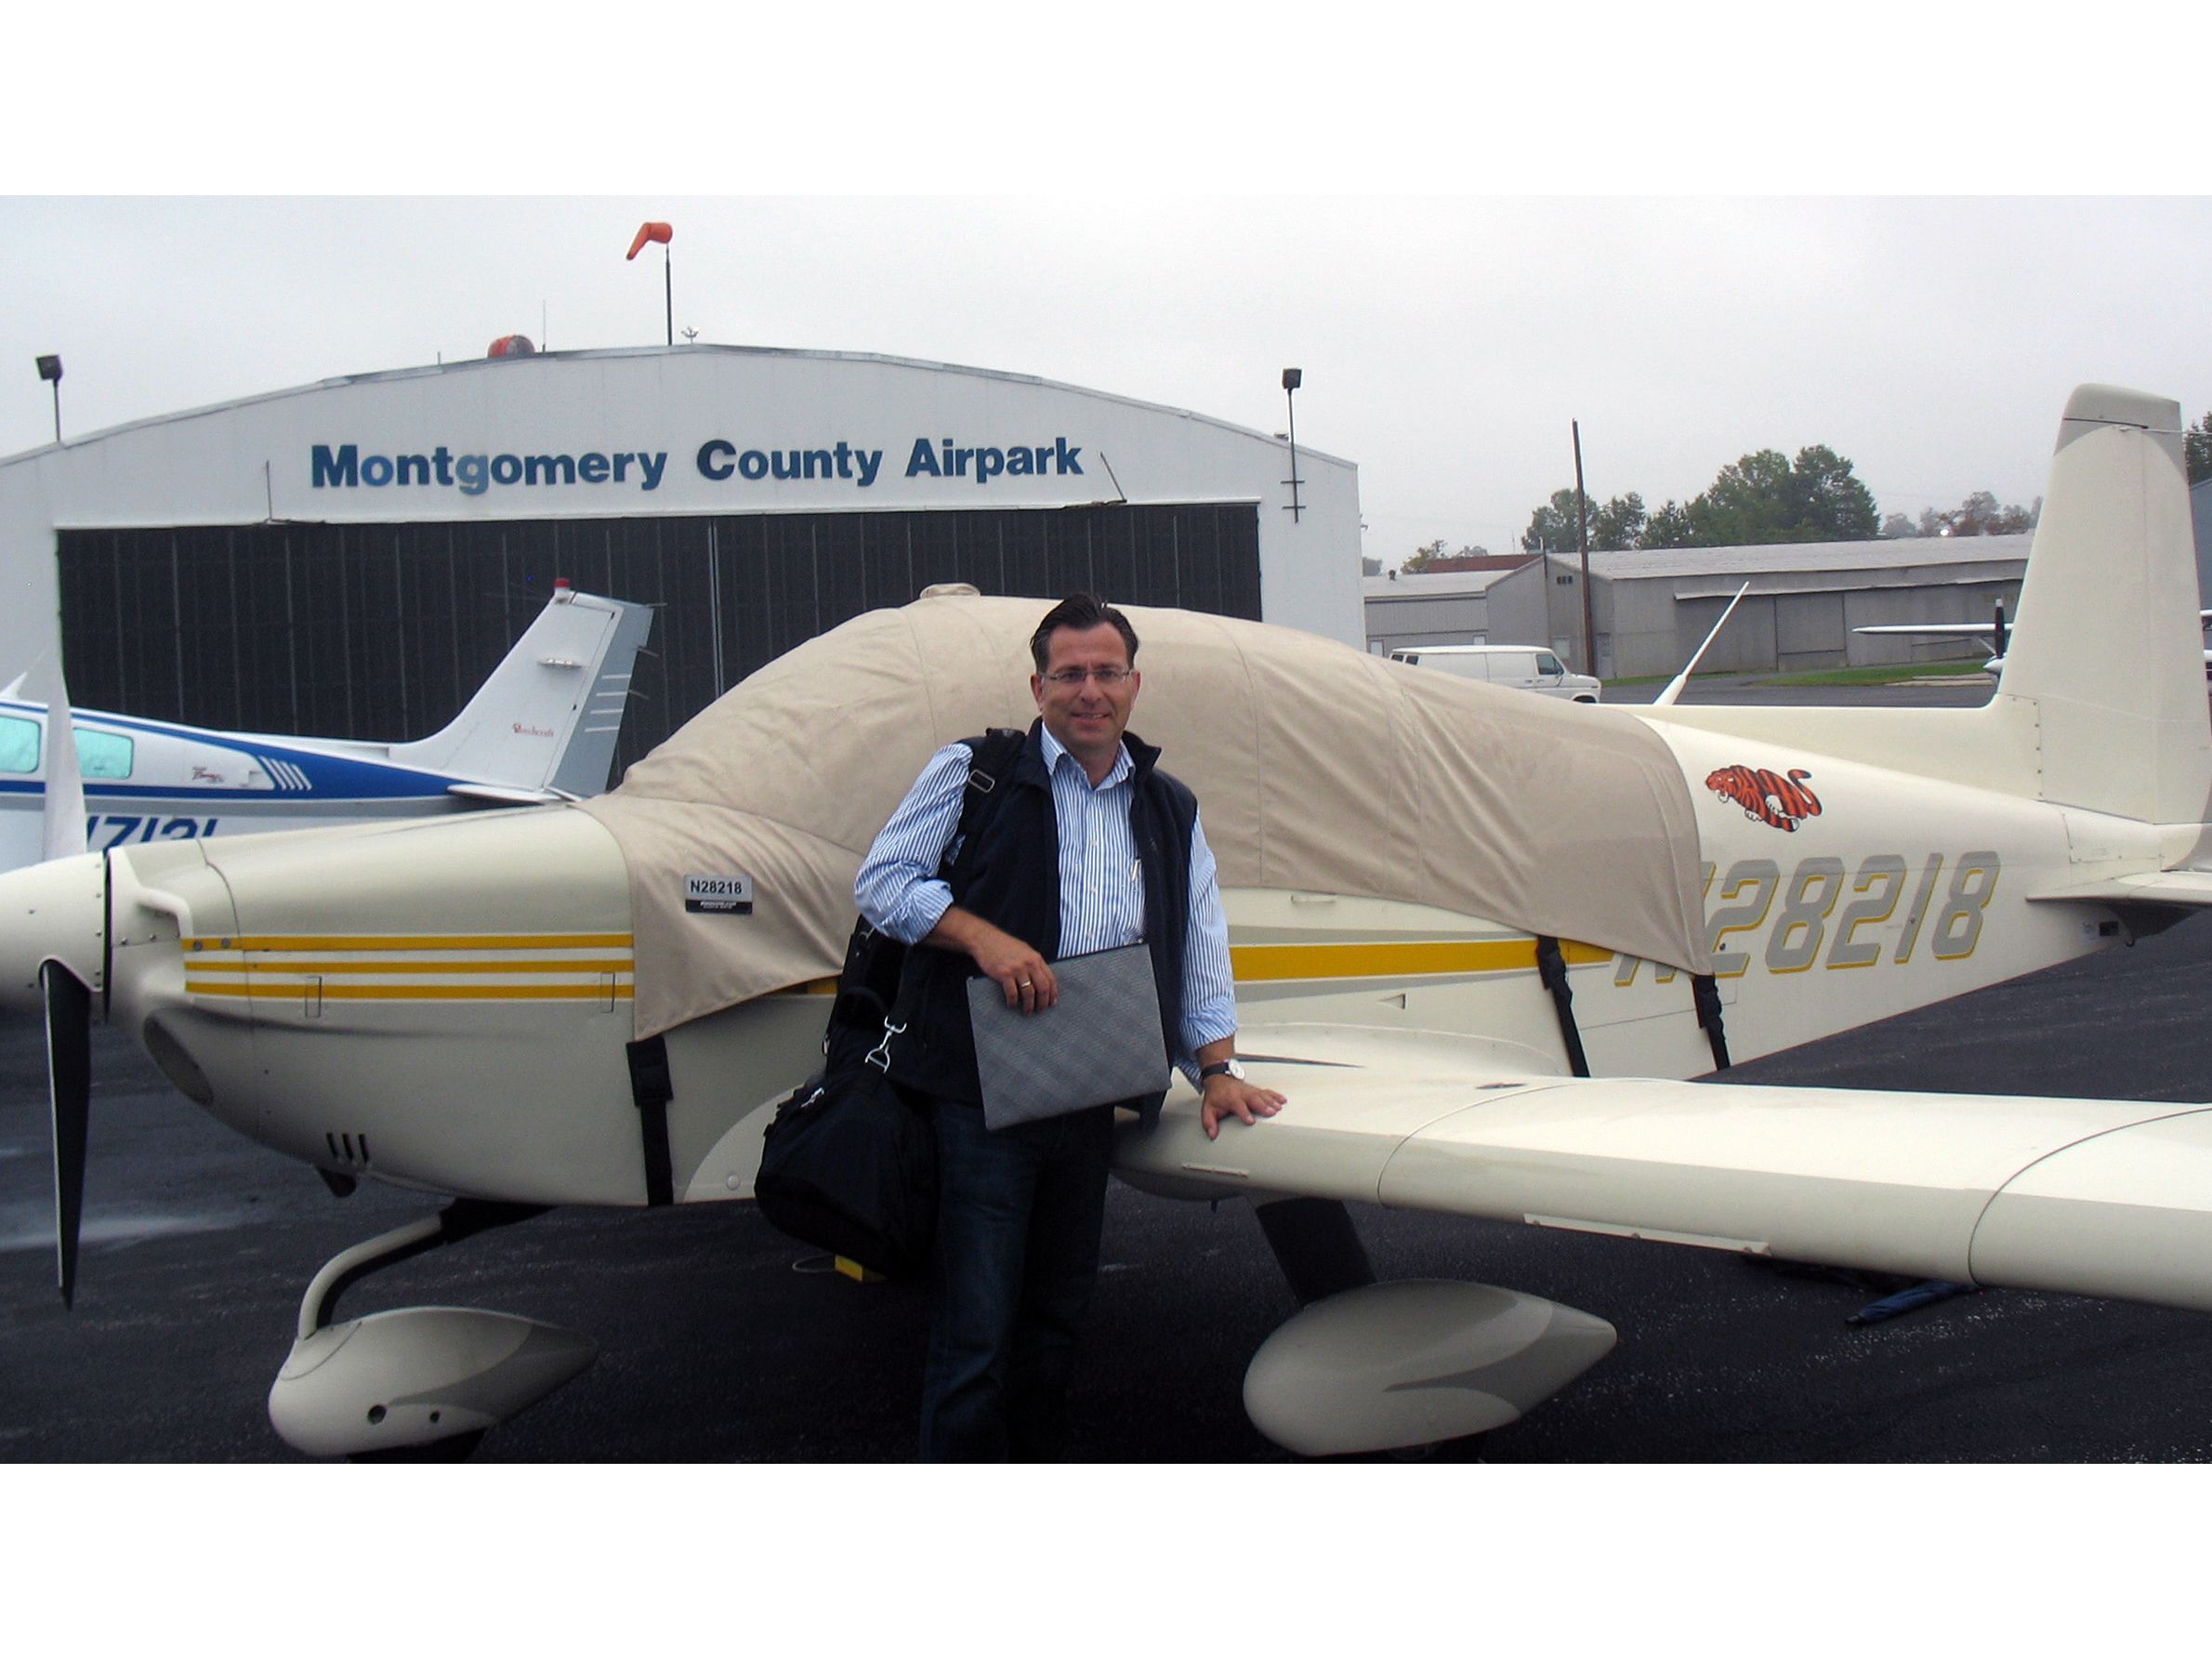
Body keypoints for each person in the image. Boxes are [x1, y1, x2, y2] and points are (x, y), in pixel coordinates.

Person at [854, 593, 1284, 1461]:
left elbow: (1197, 935)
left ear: (1134, 683)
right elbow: (883, 882)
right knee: (974, 1333)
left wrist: (1217, 1067)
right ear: (1038, 684)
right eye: (1069, 673)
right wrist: (982, 936)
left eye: (1107, 672)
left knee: (1056, 1321)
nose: (1090, 690)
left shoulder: (1168, 805)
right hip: (981, 1101)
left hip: (1088, 1095)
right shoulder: (975, 770)